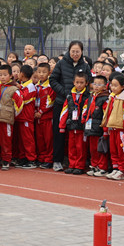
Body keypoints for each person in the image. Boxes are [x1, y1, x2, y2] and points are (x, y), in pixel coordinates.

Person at [49, 41, 91, 171]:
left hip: (78, 105)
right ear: (69, 51)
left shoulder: (85, 66)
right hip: (62, 103)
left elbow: (89, 82)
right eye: (73, 51)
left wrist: (81, 96)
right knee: (59, 131)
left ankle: (77, 162)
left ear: (82, 52)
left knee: (77, 134)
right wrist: (65, 93)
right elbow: (53, 80)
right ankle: (57, 160)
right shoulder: (61, 63)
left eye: (78, 51)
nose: (75, 54)